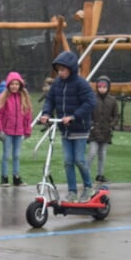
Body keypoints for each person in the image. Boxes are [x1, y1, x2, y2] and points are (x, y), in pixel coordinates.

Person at [39, 51, 96, 201]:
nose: (60, 73)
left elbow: (90, 103)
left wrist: (74, 116)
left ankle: (88, 187)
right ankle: (72, 192)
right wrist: (46, 113)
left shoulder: (81, 84)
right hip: (65, 130)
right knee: (67, 161)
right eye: (58, 70)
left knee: (79, 160)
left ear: (71, 69)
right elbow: (50, 100)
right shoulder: (57, 84)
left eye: (63, 70)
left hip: (80, 128)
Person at [0, 71, 32, 187]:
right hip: (7, 132)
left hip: (19, 132)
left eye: (17, 84)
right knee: (6, 155)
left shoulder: (24, 98)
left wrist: (27, 130)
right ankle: (4, 177)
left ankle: (16, 177)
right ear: (8, 85)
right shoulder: (3, 98)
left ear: (20, 85)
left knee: (17, 155)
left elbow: (27, 115)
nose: (14, 86)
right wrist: (0, 130)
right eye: (12, 84)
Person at [87, 76, 119, 183]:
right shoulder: (92, 98)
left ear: (108, 87)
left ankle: (100, 175)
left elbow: (116, 115)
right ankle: (86, 175)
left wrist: (111, 125)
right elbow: (88, 114)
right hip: (94, 131)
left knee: (102, 154)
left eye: (104, 86)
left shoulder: (112, 100)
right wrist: (91, 125)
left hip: (106, 131)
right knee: (92, 153)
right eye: (100, 86)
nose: (102, 88)